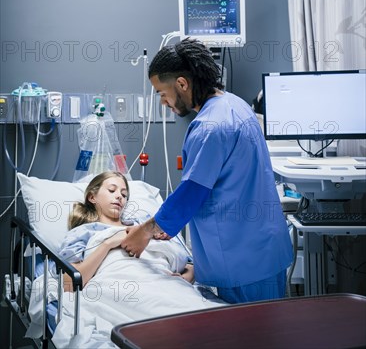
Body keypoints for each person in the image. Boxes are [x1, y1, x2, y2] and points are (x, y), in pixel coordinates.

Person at [121, 38, 293, 303]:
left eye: (162, 94)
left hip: (242, 261)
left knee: (253, 336)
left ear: (182, 83)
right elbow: (229, 183)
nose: (164, 102)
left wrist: (145, 231)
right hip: (263, 250)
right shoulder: (236, 106)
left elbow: (193, 190)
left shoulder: (210, 127)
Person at [60, 171, 194, 291]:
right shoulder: (83, 232)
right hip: (119, 287)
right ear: (92, 197)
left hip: (166, 284)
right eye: (112, 190)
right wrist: (108, 244)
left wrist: (186, 278)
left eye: (124, 195)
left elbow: (188, 262)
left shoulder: (144, 225)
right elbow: (69, 284)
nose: (119, 196)